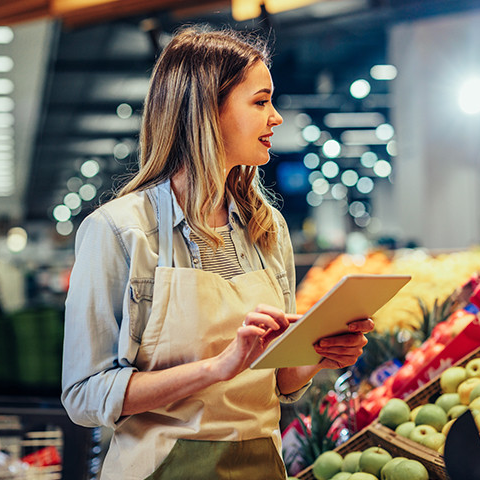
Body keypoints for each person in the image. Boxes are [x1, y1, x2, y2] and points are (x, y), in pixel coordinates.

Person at [61, 25, 374, 480]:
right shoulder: (119, 231)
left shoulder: (267, 228)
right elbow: (85, 396)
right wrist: (216, 367)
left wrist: (318, 355)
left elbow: (278, 380)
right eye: (261, 101)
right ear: (208, 109)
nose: (276, 118)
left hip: (261, 467)